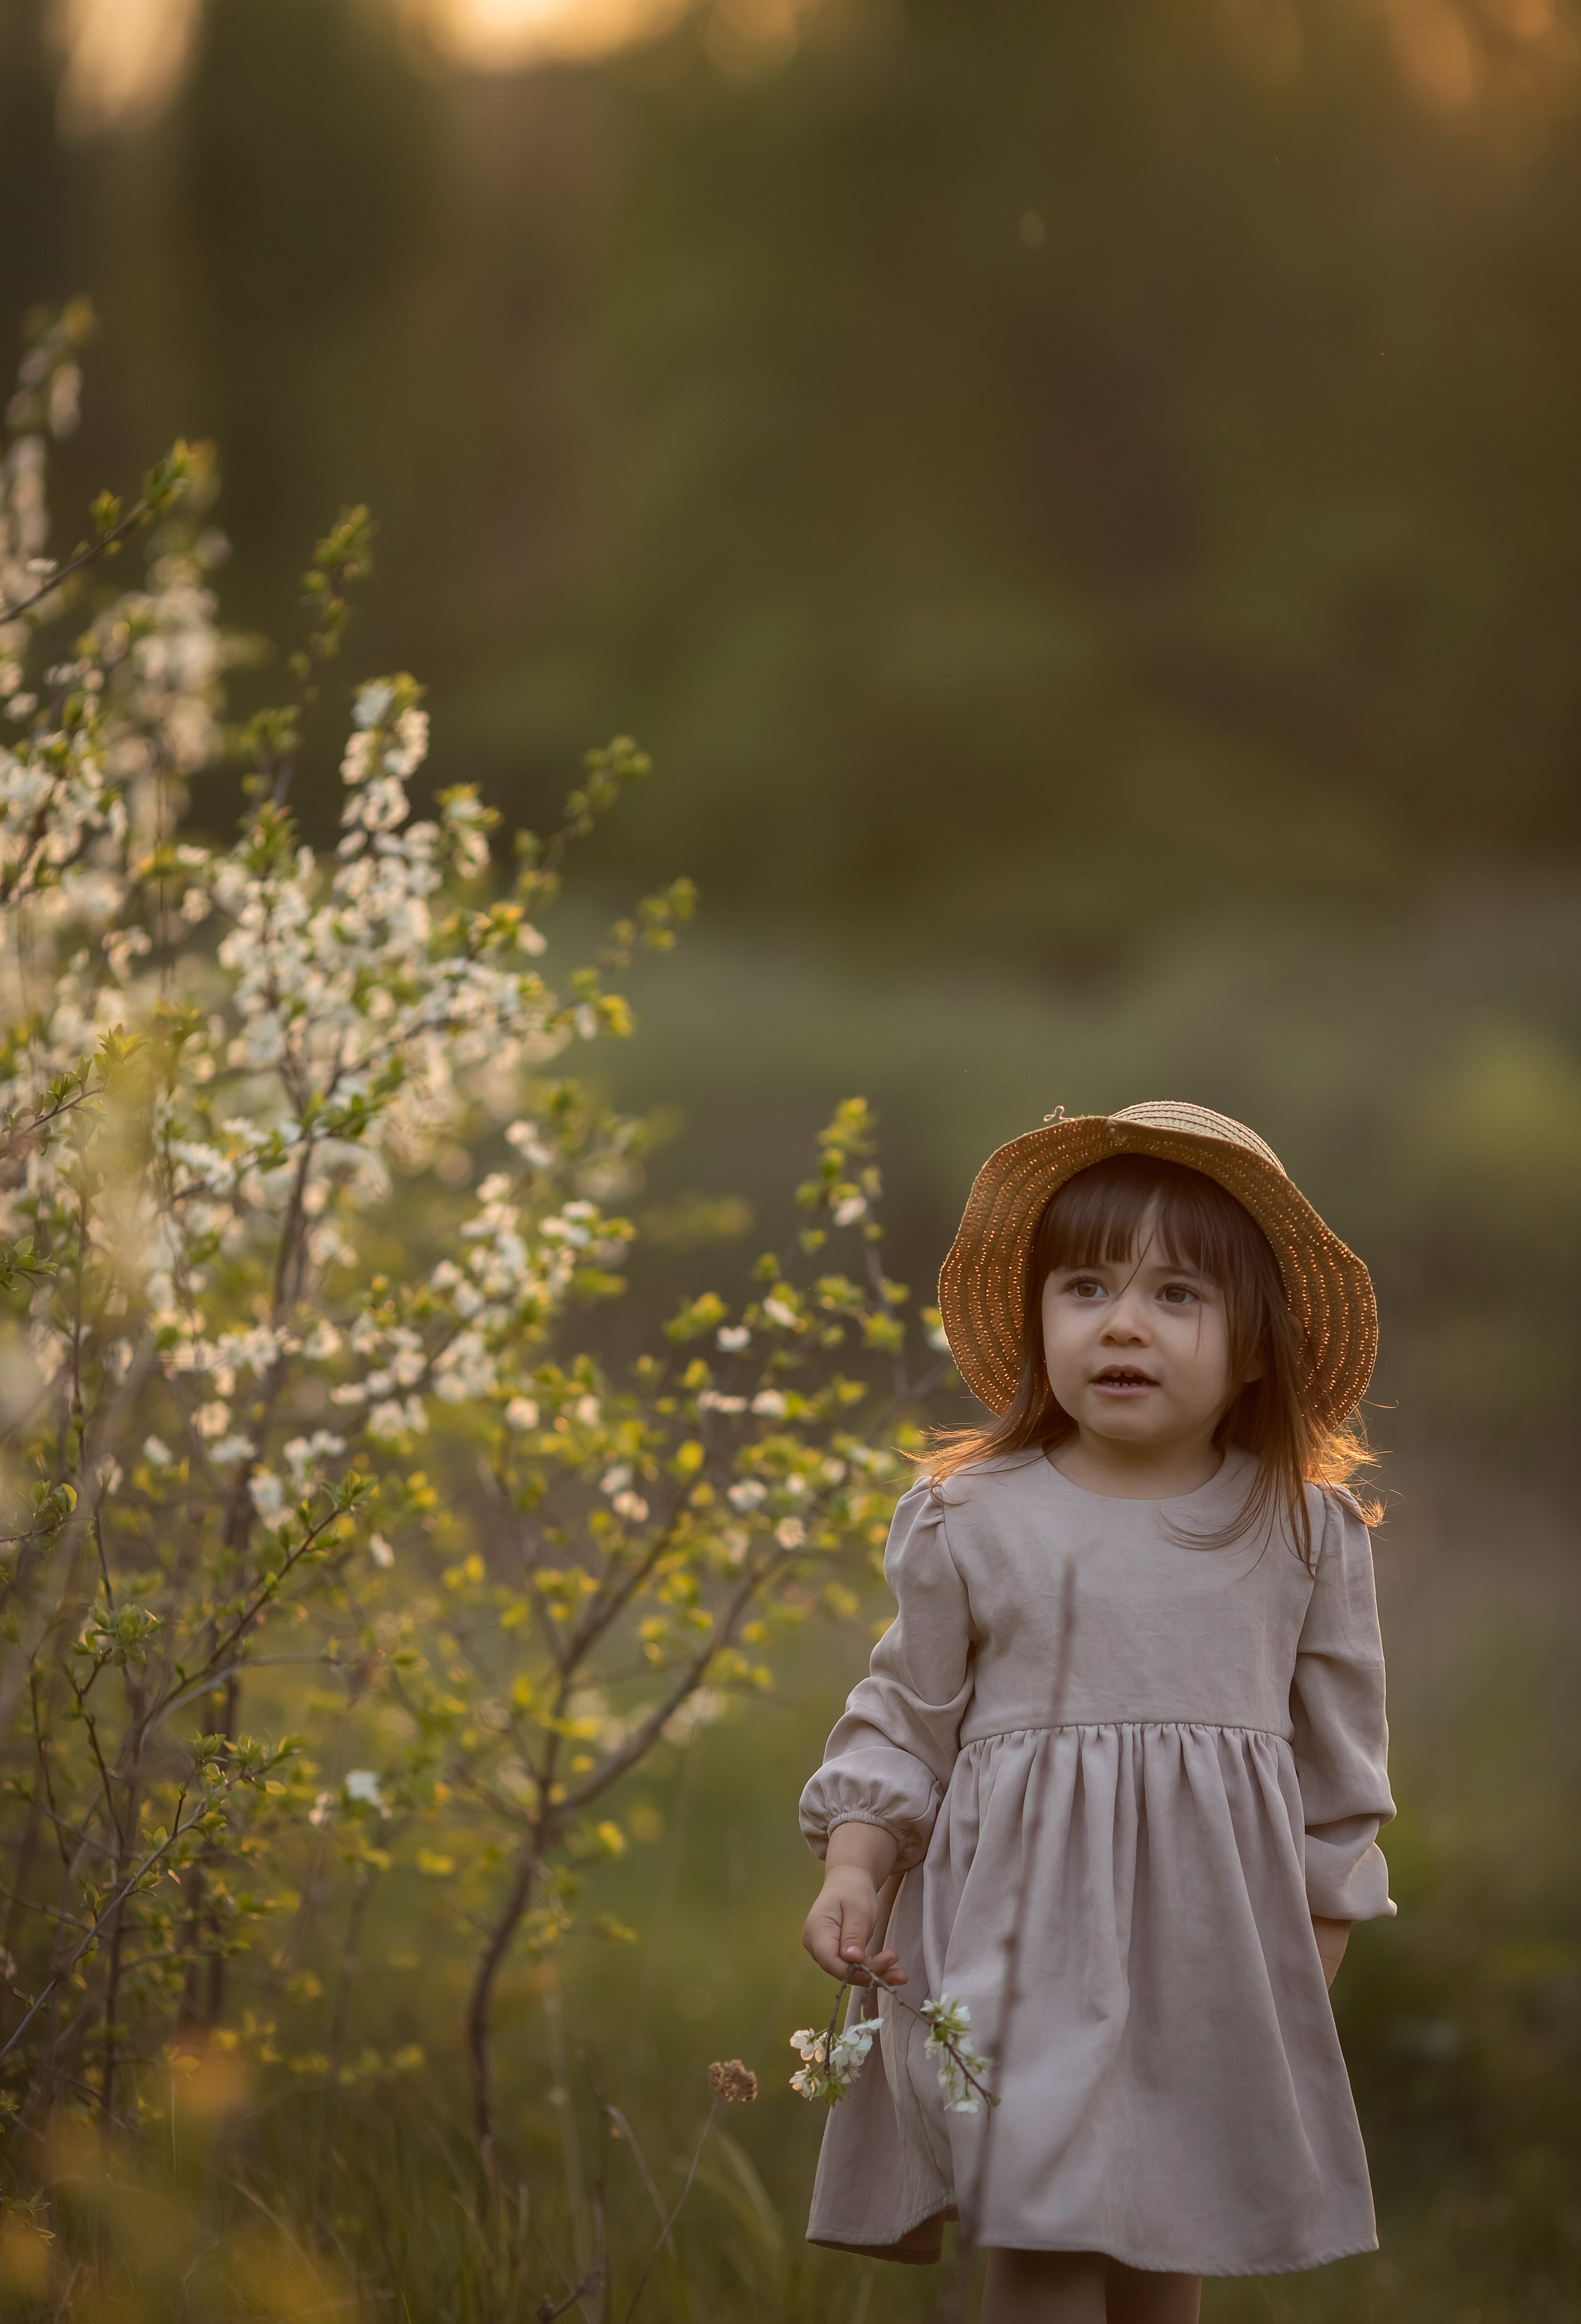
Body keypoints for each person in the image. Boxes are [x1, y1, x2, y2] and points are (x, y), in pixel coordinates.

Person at [797, 1102, 1396, 2323]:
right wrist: (855, 1864)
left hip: (1208, 1959)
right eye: (1084, 1287)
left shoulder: (1297, 1531)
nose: (1120, 1321)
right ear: (1037, 1323)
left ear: (1250, 1348)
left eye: (1176, 1294)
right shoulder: (971, 1515)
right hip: (1014, 1943)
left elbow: (1340, 1787)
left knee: (1158, 2237)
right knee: (1048, 2236)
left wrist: (1295, 1971)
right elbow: (902, 1716)